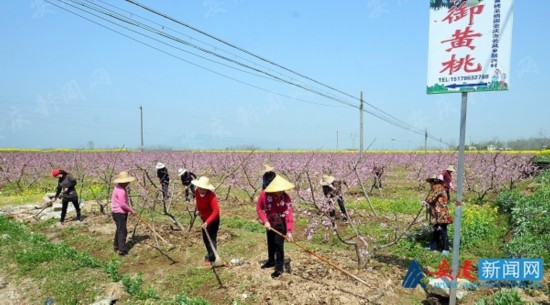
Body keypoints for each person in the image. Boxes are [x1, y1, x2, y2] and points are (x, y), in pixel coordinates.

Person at [256, 175, 295, 278]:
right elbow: (259, 209)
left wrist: (289, 231)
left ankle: (279, 268)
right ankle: (271, 261)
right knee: (271, 243)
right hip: (270, 222)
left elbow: (289, 214)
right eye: (278, 190)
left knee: (278, 245)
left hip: (281, 224)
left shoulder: (286, 198)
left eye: (282, 190)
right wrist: (265, 221)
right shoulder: (264, 195)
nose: (280, 192)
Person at [192, 176, 220, 267]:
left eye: (204, 189)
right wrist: (199, 211)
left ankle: (212, 258)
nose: (201, 190)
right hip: (204, 218)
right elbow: (198, 202)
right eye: (200, 188)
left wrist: (207, 222)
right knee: (205, 238)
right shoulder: (196, 192)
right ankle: (210, 254)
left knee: (211, 238)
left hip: (213, 219)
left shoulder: (211, 196)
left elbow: (216, 211)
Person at [422, 174, 453, 255]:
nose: (430, 184)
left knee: (442, 231)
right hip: (437, 214)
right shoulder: (437, 188)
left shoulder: (438, 187)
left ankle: (446, 248)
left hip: (441, 214)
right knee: (436, 230)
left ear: (434, 182)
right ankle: (433, 247)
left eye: (431, 182)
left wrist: (426, 201)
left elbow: (432, 197)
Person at [111, 171, 137, 256]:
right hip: (120, 213)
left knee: (119, 229)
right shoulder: (121, 190)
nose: (128, 183)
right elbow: (122, 204)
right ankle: (122, 251)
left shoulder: (117, 187)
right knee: (123, 231)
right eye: (127, 181)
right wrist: (131, 210)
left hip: (116, 212)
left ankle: (116, 246)